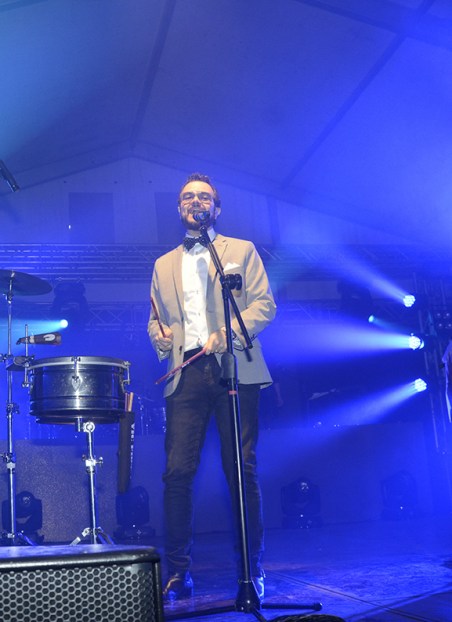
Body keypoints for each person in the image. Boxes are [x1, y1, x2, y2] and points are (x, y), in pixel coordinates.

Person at [148, 173, 276, 602]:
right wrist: (159, 337)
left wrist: (231, 332)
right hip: (185, 372)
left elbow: (264, 304)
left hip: (234, 369)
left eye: (203, 196)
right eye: (187, 196)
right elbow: (154, 317)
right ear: (179, 208)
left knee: (241, 468)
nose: (195, 201)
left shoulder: (240, 250)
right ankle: (179, 572)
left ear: (216, 208)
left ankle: (250, 569)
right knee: (177, 474)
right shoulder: (163, 263)